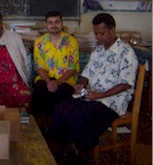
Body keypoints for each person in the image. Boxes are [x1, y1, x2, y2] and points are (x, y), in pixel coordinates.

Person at [52, 13, 138, 162]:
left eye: (101, 33)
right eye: (96, 33)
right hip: (91, 96)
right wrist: (81, 85)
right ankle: (68, 147)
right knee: (61, 108)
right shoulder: (98, 51)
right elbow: (86, 74)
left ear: (112, 30)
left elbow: (126, 83)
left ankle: (83, 153)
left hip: (111, 101)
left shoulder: (126, 52)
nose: (98, 37)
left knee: (82, 116)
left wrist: (100, 96)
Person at [31, 11, 79, 131]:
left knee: (62, 93)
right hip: (45, 78)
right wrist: (48, 82)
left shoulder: (71, 41)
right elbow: (39, 66)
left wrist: (57, 82)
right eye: (50, 23)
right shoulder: (39, 42)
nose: (54, 25)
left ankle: (58, 128)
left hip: (65, 79)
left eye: (57, 22)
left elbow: (72, 68)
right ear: (46, 25)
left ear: (61, 23)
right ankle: (43, 126)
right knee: (39, 91)